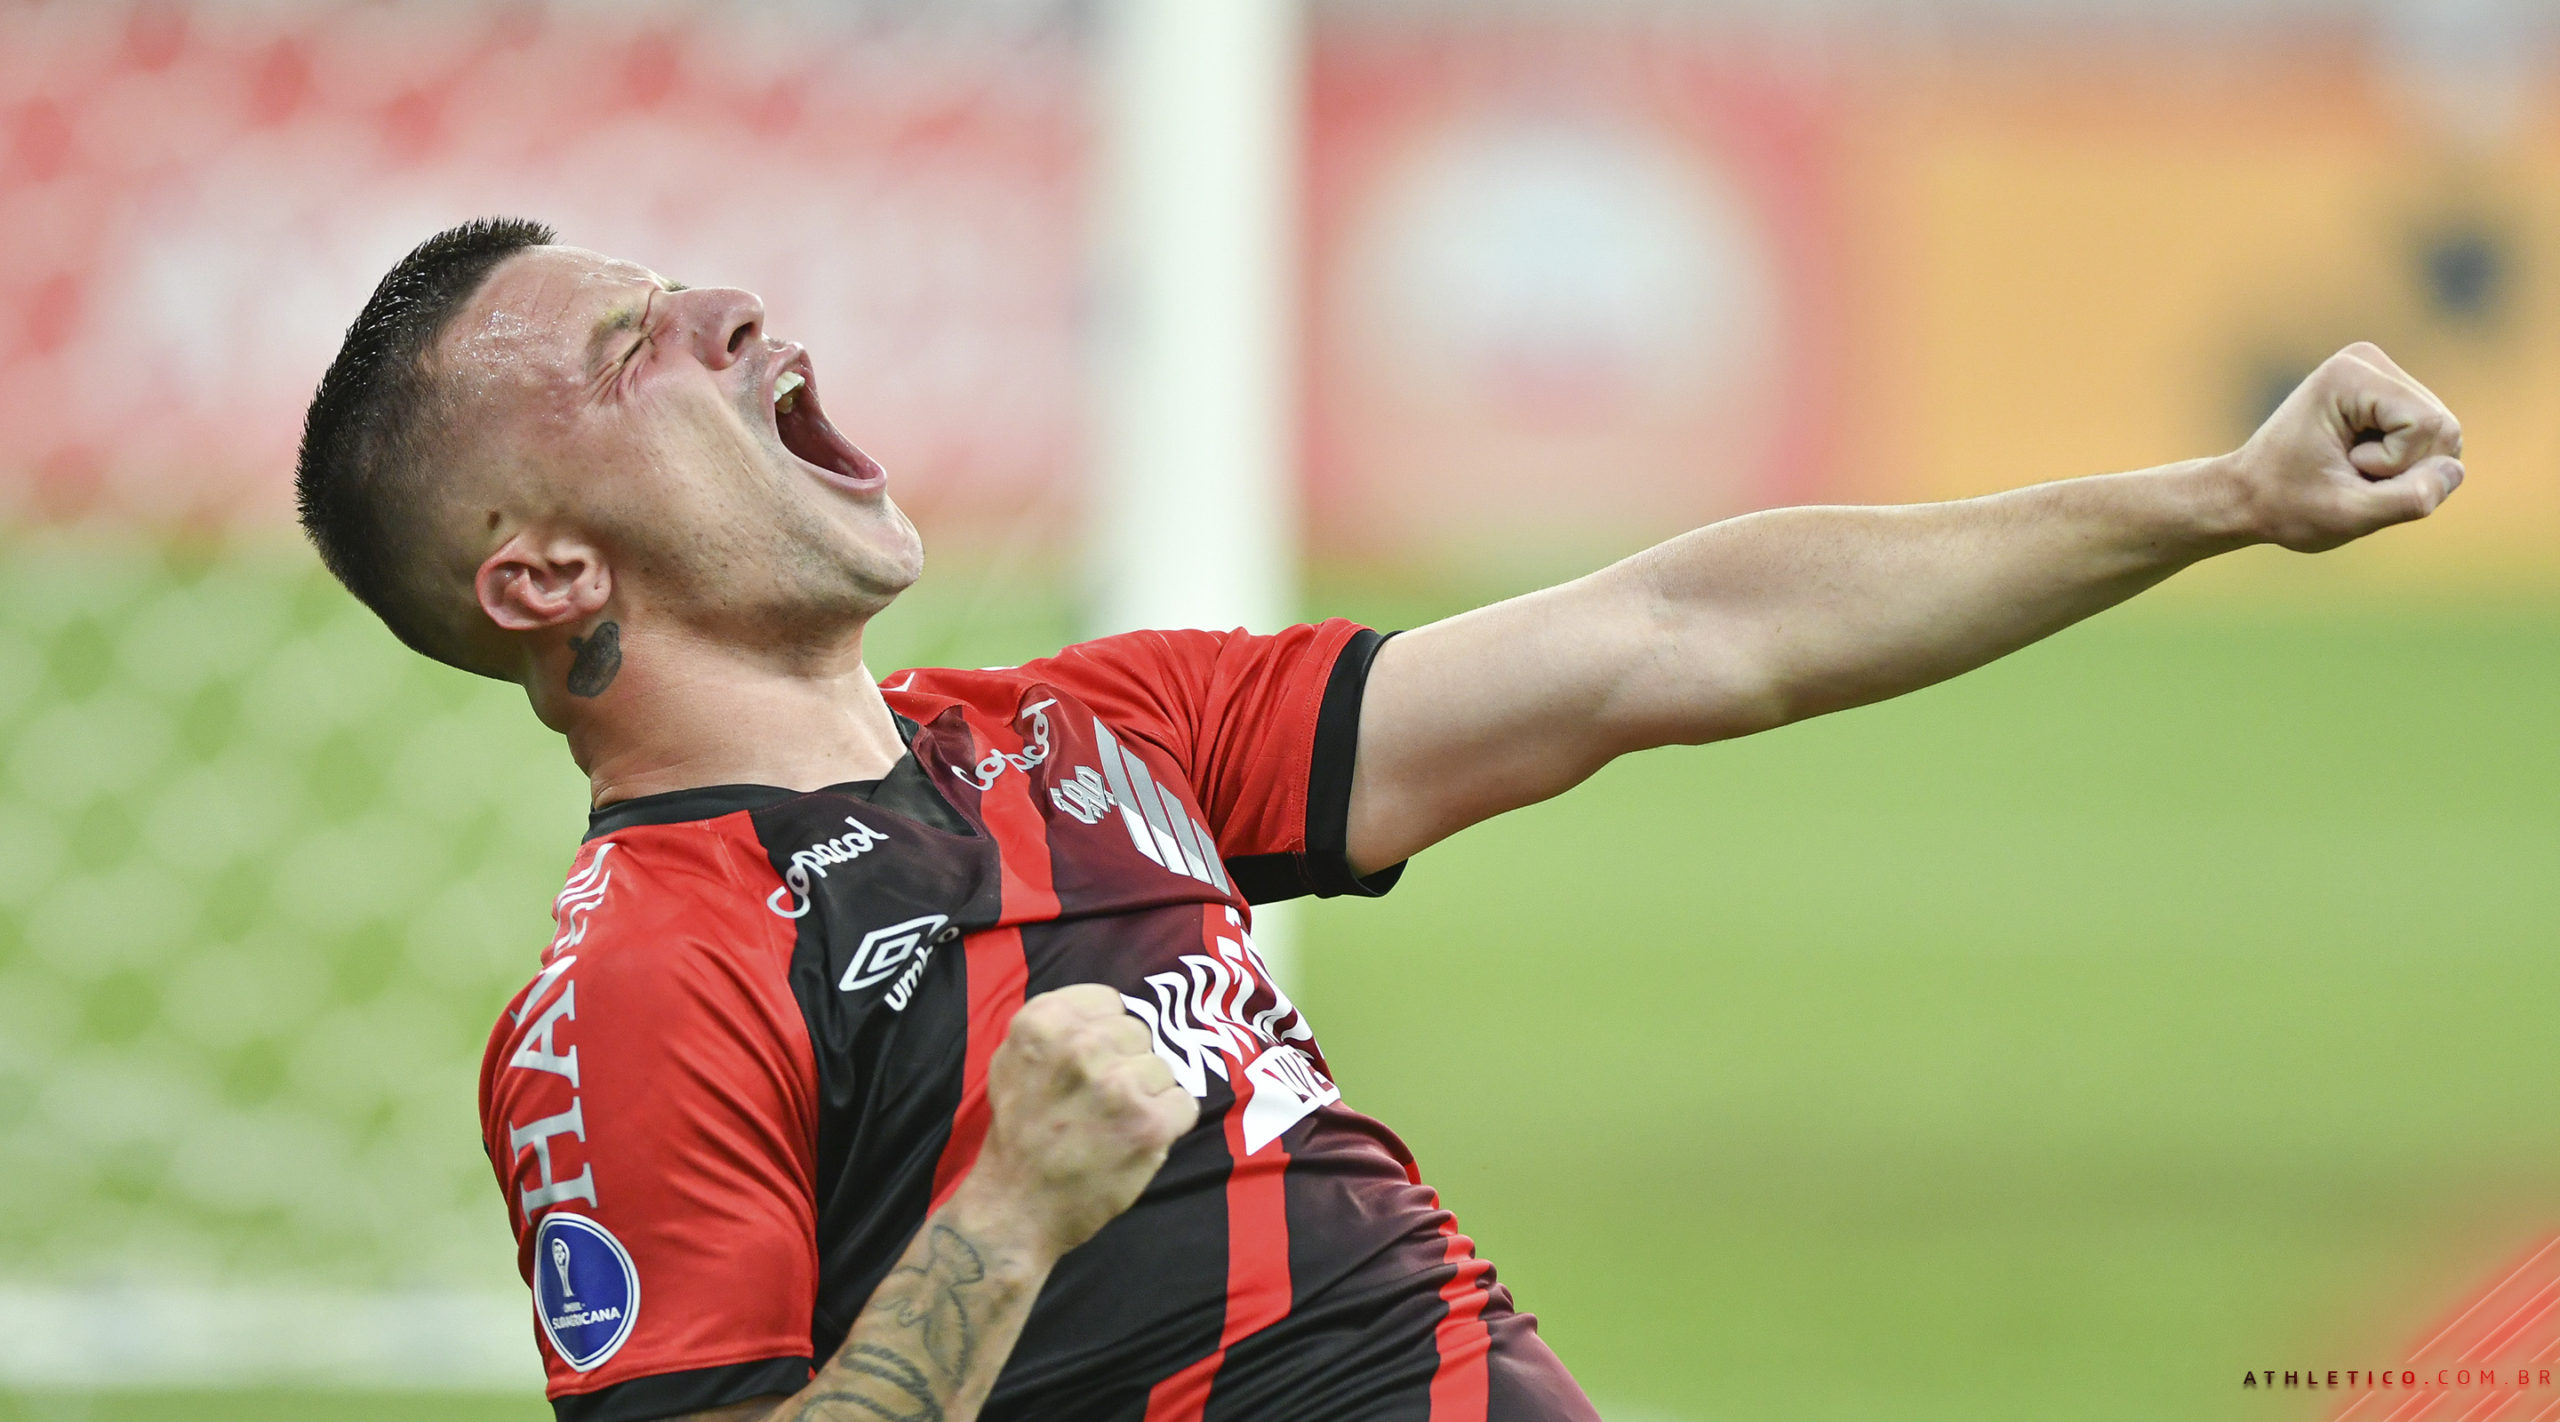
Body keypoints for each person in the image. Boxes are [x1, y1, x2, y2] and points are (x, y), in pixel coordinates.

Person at [293, 218, 2464, 1422]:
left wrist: (2217, 498)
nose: (725, 305)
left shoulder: (1087, 733)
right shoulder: (640, 994)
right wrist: (1005, 1214)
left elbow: (1677, 635)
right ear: (541, 578)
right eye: (627, 348)